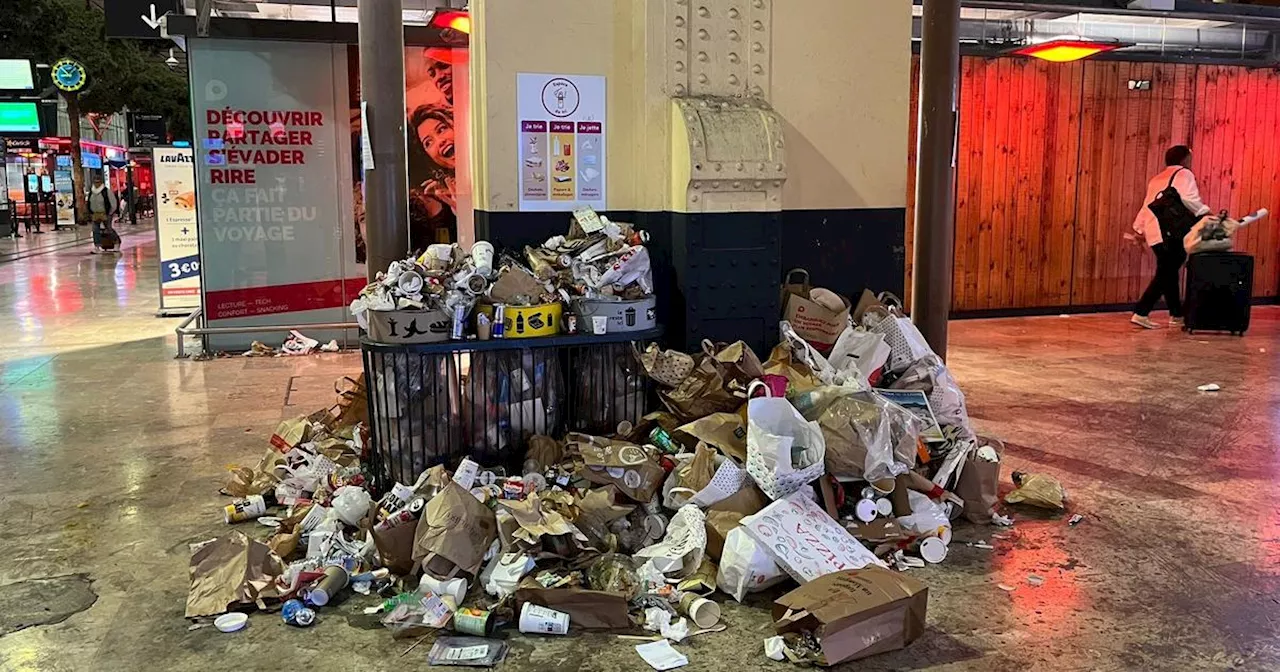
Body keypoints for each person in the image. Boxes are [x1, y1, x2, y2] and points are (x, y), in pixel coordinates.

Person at [1130, 145, 1210, 329]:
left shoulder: (1157, 178)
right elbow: (1189, 198)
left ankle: (1176, 314)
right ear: (1184, 160)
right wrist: (1205, 213)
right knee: (1167, 271)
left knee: (1168, 270)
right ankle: (1142, 311)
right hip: (1172, 231)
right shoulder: (1184, 174)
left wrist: (1139, 228)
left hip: (1154, 230)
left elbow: (1147, 205)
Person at [87, 176, 118, 254]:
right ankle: (97, 246)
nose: (96, 184)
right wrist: (90, 212)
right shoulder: (92, 192)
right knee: (95, 230)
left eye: (98, 182)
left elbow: (113, 203)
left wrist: (110, 213)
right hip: (95, 214)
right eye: (95, 182)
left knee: (109, 229)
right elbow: (89, 203)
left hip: (106, 214)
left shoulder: (106, 191)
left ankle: (116, 242)